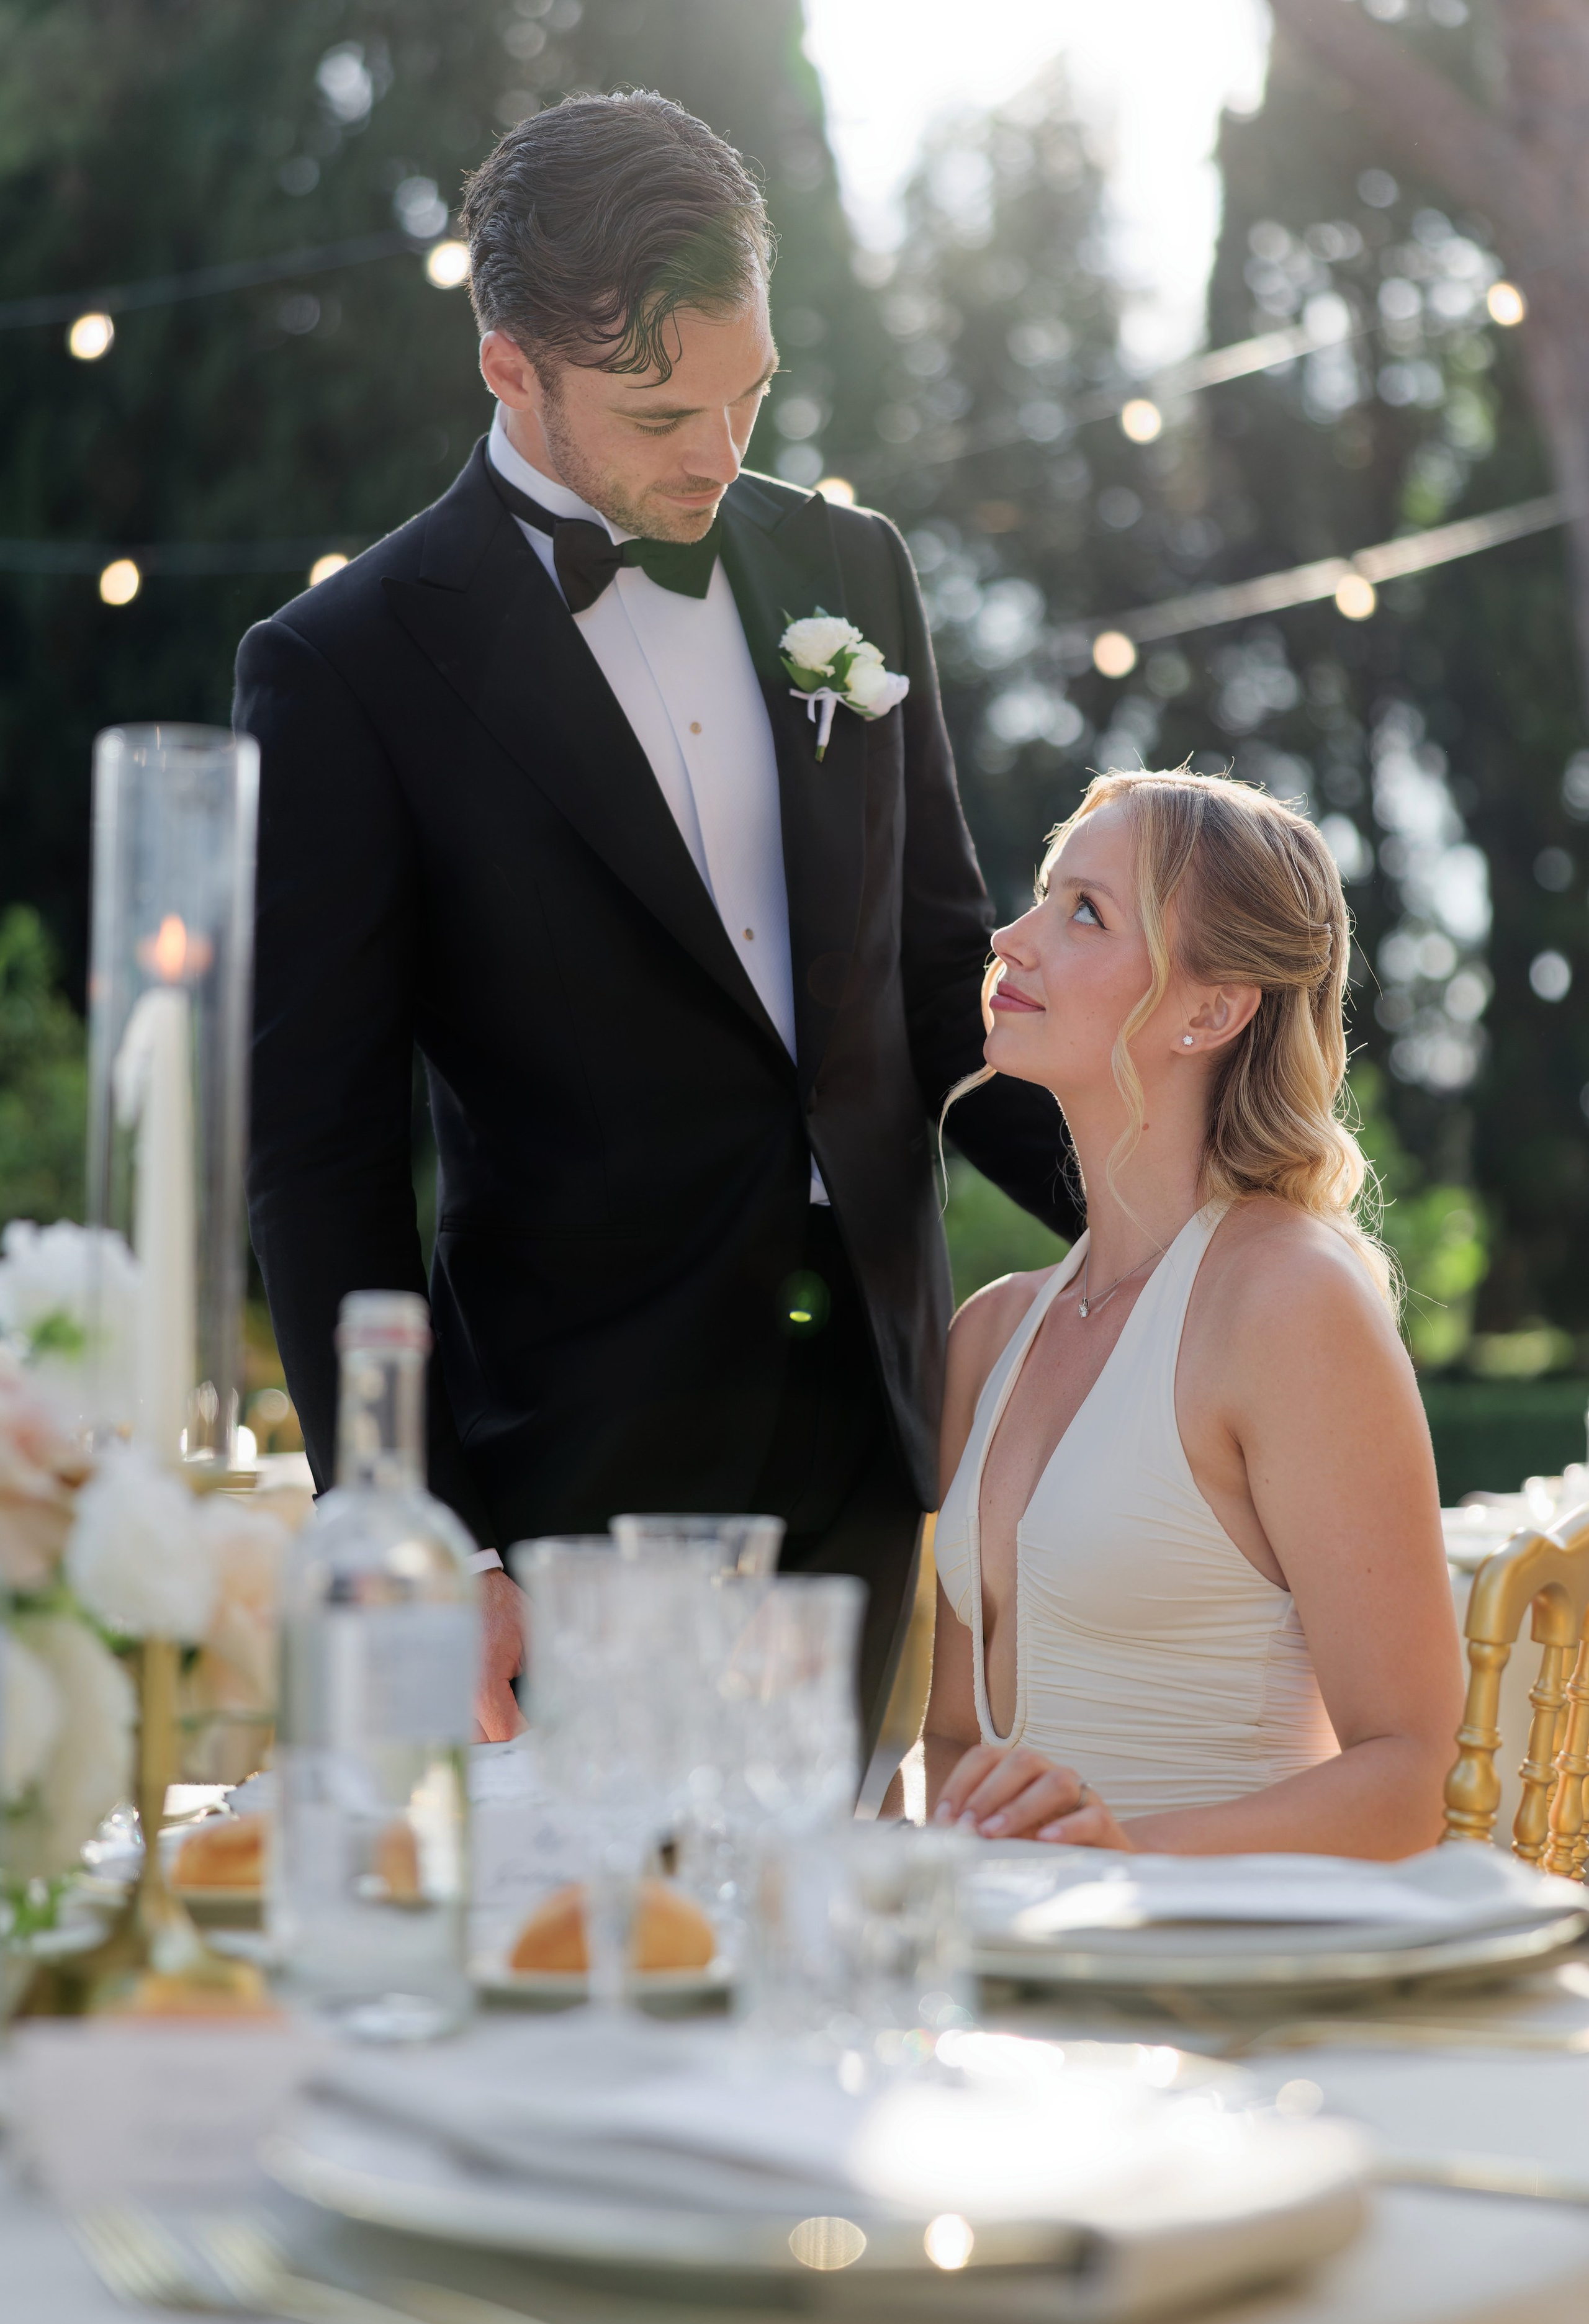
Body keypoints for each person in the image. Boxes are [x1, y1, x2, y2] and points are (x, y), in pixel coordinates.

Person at [235, 90, 1081, 1744]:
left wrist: (1178, 1219)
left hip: (868, 1427)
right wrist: (434, 1536)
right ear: (509, 371)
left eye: (749, 391)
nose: (718, 451)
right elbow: (319, 1151)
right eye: (658, 408)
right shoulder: (345, 669)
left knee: (831, 1941)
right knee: (601, 1964)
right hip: (569, 1472)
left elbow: (935, 979)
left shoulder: (855, 566)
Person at [916, 769, 1464, 1855]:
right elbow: (946, 1741)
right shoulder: (989, 1332)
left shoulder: (1289, 1304)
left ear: (1211, 1011)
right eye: (1041, 895)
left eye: (1085, 912)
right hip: (1015, 1988)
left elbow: (1408, 1778)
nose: (1010, 940)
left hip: (1220, 1981)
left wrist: (1121, 1867)